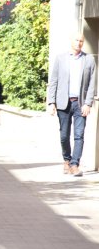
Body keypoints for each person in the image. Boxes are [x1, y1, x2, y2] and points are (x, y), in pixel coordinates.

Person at [47, 32, 96, 177]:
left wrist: (88, 103)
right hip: (63, 103)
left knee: (79, 135)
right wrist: (51, 102)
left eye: (81, 41)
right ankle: (66, 160)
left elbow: (92, 84)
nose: (79, 43)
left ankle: (75, 164)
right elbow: (54, 81)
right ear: (71, 41)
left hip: (80, 104)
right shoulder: (60, 59)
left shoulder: (89, 60)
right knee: (64, 135)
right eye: (77, 40)